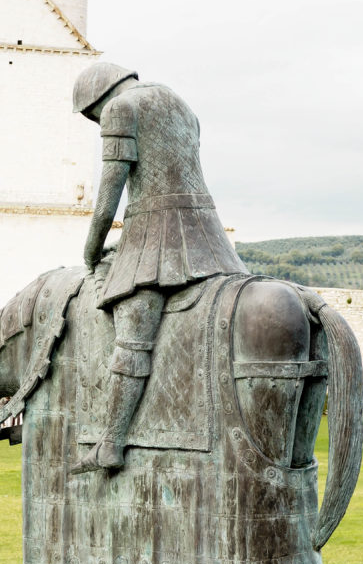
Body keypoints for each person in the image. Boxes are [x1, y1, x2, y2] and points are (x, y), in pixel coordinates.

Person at [70, 62, 247, 475]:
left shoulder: (120, 109)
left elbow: (109, 196)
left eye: (93, 118)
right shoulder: (180, 104)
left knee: (133, 336)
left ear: (98, 102)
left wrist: (92, 249)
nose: (98, 123)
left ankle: (111, 442)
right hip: (208, 238)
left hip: (158, 238)